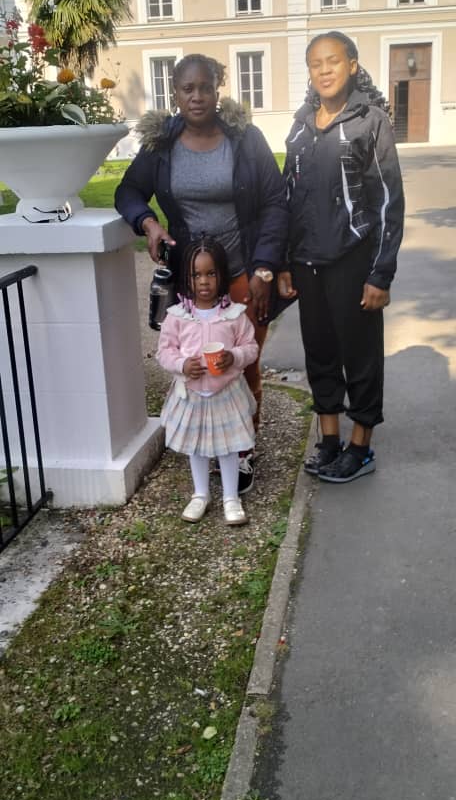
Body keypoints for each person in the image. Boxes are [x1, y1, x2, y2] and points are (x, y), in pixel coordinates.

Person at [115, 53, 288, 495]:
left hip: (243, 272)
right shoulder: (161, 144)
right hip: (192, 280)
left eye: (205, 87)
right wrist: (148, 223)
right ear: (175, 93)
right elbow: (128, 189)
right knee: (196, 363)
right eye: (187, 88)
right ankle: (205, 442)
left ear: (217, 89)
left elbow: (274, 201)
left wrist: (265, 267)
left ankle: (242, 449)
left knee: (243, 363)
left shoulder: (245, 139)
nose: (197, 96)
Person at [279, 31, 405, 483]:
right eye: (316, 64)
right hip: (308, 263)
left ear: (352, 65)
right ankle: (330, 440)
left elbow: (389, 201)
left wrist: (381, 274)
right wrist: (285, 262)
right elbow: (287, 196)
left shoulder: (371, 121)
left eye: (333, 61)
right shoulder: (300, 125)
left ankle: (361, 447)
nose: (324, 70)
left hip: (354, 261)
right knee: (321, 353)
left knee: (361, 355)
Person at [156, 236, 258, 525]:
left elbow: (251, 347)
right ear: (186, 278)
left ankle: (231, 497)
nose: (203, 281)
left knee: (228, 446)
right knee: (196, 446)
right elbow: (164, 351)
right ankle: (200, 494)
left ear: (222, 274)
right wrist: (181, 365)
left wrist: (234, 357)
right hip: (191, 394)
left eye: (210, 273)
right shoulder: (177, 316)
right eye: (196, 274)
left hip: (226, 393)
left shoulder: (234, 315)